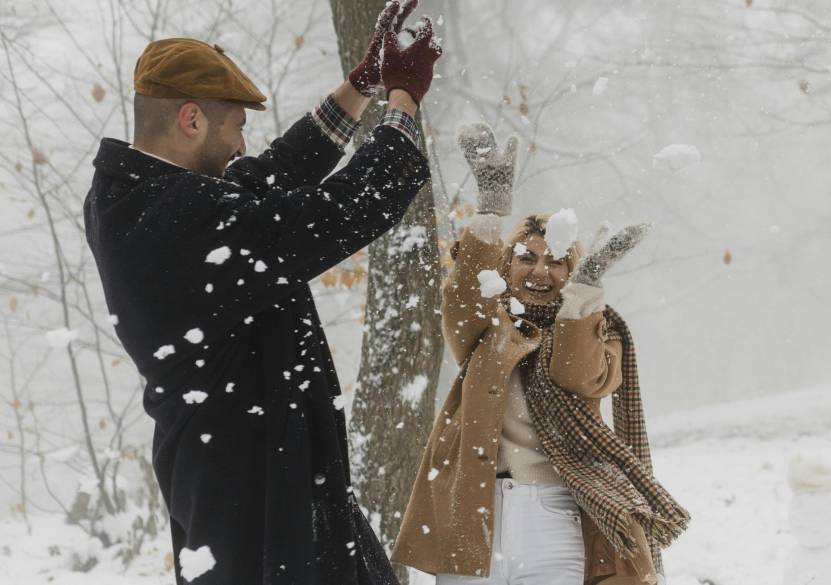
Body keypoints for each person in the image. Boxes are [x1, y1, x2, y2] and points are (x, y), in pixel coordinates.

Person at [83, 2, 441, 583]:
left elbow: (264, 179)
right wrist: (403, 103)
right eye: (237, 128)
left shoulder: (130, 199)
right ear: (192, 120)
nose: (243, 146)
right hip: (259, 511)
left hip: (252, 487)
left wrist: (360, 87)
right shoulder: (183, 220)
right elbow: (344, 211)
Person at [391, 123, 690, 585]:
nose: (539, 270)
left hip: (554, 515)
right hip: (474, 511)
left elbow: (576, 372)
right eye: (526, 257)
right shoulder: (485, 329)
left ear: (570, 273)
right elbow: (462, 295)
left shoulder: (598, 330)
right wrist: (491, 208)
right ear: (506, 266)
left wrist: (584, 290)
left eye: (555, 260)